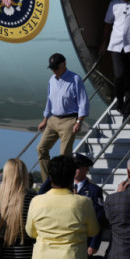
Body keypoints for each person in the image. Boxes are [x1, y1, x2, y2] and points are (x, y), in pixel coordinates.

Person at [36, 53, 89, 182]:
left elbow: (83, 101)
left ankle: (63, 183)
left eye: (56, 68)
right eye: (52, 68)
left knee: (64, 155)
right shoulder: (52, 80)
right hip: (53, 120)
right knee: (41, 149)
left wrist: (79, 121)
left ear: (64, 65)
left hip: (69, 120)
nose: (54, 70)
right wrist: (45, 120)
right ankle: (47, 181)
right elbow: (50, 101)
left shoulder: (75, 79)